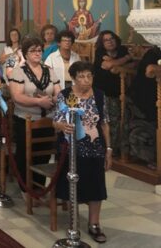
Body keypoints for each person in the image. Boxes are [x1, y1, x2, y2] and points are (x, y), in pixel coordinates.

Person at [53, 61, 112, 244]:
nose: (86, 80)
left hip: (95, 148)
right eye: (81, 76)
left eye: (89, 76)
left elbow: (104, 123)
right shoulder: (65, 95)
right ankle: (74, 223)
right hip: (71, 149)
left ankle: (94, 224)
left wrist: (108, 149)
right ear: (73, 78)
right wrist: (63, 126)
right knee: (73, 185)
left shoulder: (99, 95)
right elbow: (56, 122)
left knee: (96, 186)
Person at [9, 37, 60, 197]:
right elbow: (17, 96)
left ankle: (38, 187)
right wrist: (38, 102)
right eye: (33, 51)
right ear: (25, 53)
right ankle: (26, 188)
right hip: (26, 119)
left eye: (39, 50)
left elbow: (58, 92)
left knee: (44, 155)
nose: (37, 53)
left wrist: (53, 100)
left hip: (47, 120)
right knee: (26, 155)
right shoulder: (19, 71)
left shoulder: (49, 70)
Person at [92, 30, 131, 157]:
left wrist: (118, 62)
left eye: (112, 38)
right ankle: (109, 148)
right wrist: (126, 59)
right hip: (104, 92)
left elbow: (134, 63)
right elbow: (108, 65)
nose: (110, 42)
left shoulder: (122, 50)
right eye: (106, 40)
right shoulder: (100, 52)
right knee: (109, 121)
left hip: (121, 92)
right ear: (102, 43)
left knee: (123, 120)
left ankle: (120, 148)